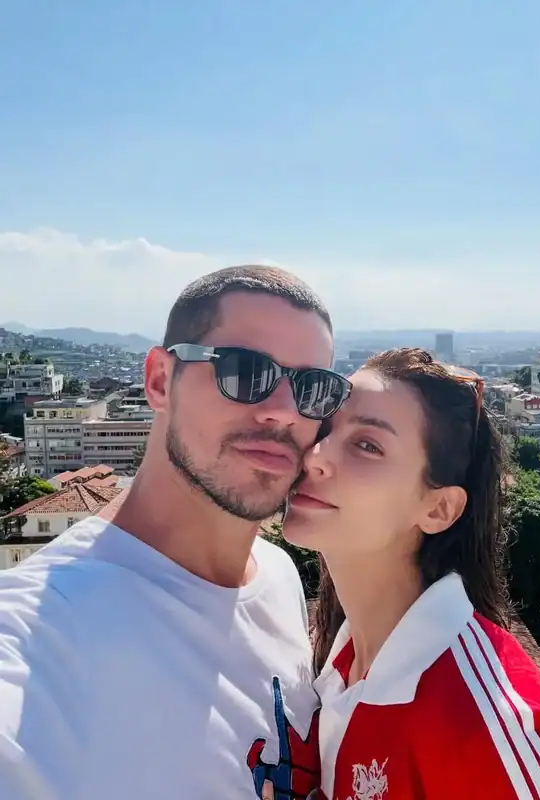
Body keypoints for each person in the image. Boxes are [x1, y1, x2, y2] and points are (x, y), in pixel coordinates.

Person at [0, 265, 352, 800]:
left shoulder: (277, 576)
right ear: (160, 381)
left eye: (313, 388)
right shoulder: (40, 634)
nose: (284, 412)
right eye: (245, 372)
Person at [283, 348, 540, 800]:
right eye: (325, 429)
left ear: (438, 508)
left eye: (368, 445)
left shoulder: (488, 724)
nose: (315, 455)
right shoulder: (341, 669)